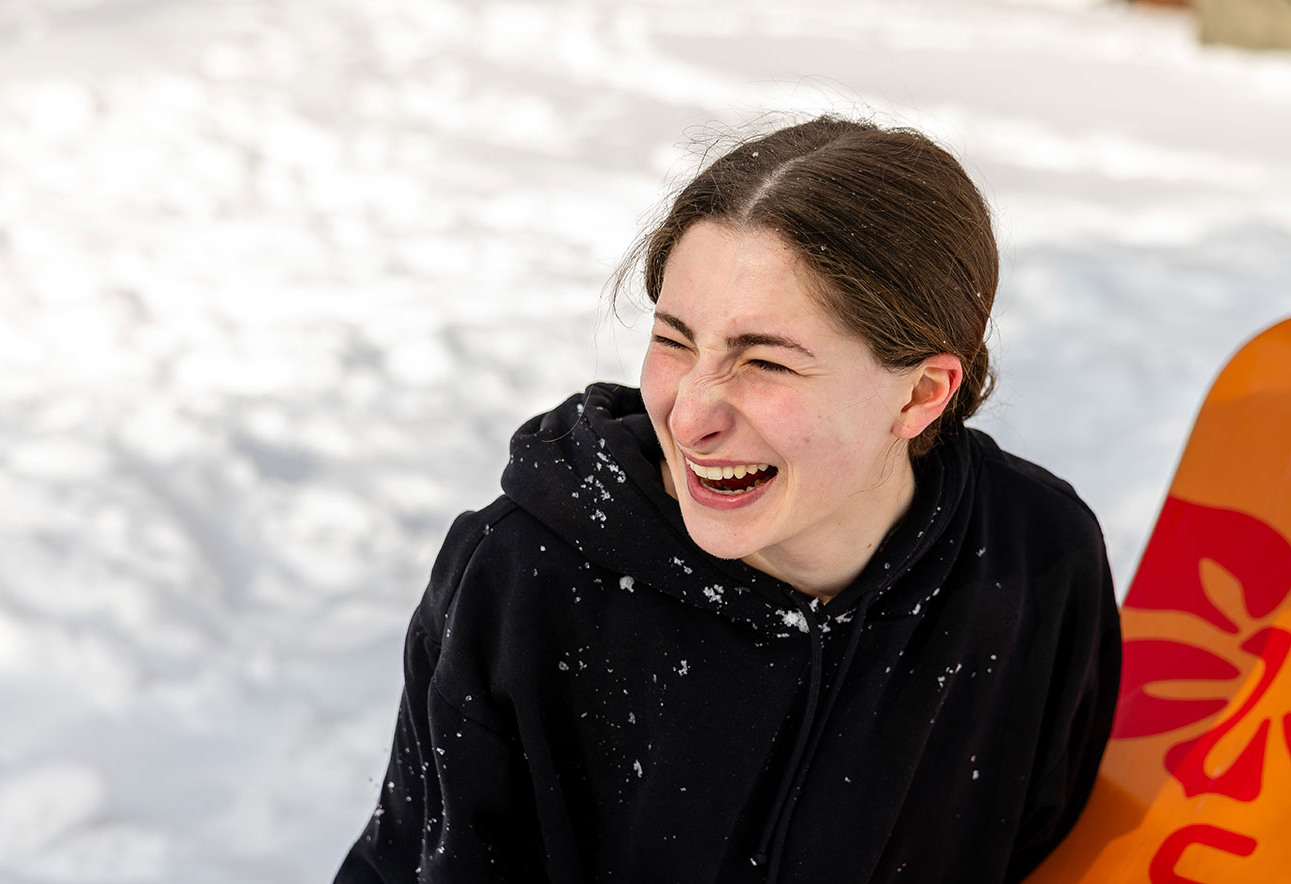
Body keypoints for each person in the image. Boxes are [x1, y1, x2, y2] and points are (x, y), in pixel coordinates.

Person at [333, 116, 1120, 884]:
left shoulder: (1036, 564)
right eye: (674, 341)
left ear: (920, 394)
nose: (690, 415)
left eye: (766, 363)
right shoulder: (527, 575)